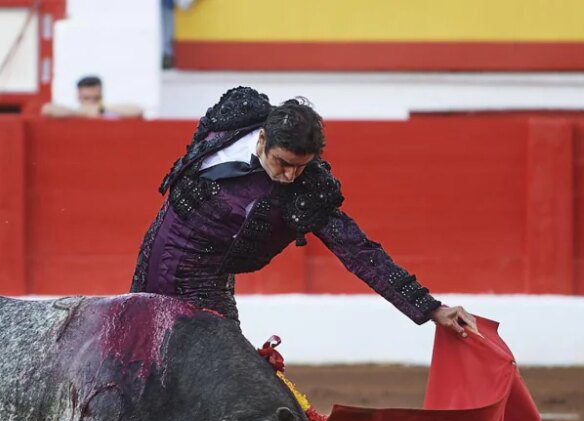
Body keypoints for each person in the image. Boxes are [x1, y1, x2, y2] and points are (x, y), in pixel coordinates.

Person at [130, 87, 477, 336]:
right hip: (155, 250)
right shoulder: (237, 112)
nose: (289, 175)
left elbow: (359, 251)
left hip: (205, 282)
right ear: (263, 138)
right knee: (137, 355)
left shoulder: (307, 189)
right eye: (283, 163)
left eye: (300, 166)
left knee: (223, 373)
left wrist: (431, 308)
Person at [41, 75, 143, 119]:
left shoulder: (107, 114)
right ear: (78, 97)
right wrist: (81, 113)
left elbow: (137, 110)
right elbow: (47, 109)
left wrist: (101, 110)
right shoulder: (70, 113)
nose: (91, 102)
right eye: (87, 98)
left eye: (96, 98)